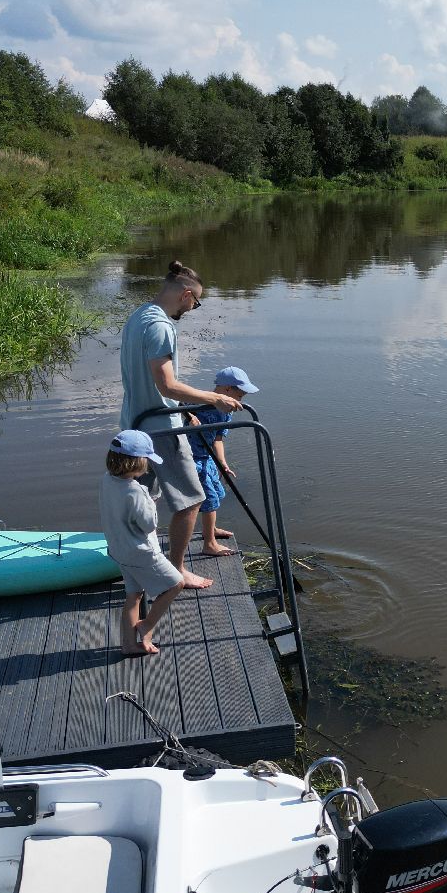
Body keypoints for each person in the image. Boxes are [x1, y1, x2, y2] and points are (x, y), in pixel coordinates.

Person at [119, 261, 242, 590]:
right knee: (191, 499)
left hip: (135, 424)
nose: (193, 308)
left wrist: (186, 410)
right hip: (160, 429)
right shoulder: (161, 327)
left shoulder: (138, 316)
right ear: (186, 294)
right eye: (195, 302)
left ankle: (136, 561)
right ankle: (176, 570)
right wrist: (211, 399)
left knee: (141, 499)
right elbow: (167, 385)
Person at [99, 430, 183, 656]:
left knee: (133, 596)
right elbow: (148, 525)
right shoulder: (136, 492)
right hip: (141, 553)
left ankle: (128, 645)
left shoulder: (107, 480)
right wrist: (150, 501)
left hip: (119, 550)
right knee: (176, 584)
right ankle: (147, 624)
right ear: (137, 462)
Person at [187, 366, 259, 557]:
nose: (240, 400)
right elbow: (176, 403)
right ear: (227, 389)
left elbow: (218, 438)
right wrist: (188, 415)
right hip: (192, 458)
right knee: (209, 498)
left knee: (217, 494)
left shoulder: (227, 410)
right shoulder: (198, 400)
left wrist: (223, 463)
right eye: (240, 395)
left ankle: (210, 529)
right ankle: (209, 544)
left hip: (208, 457)